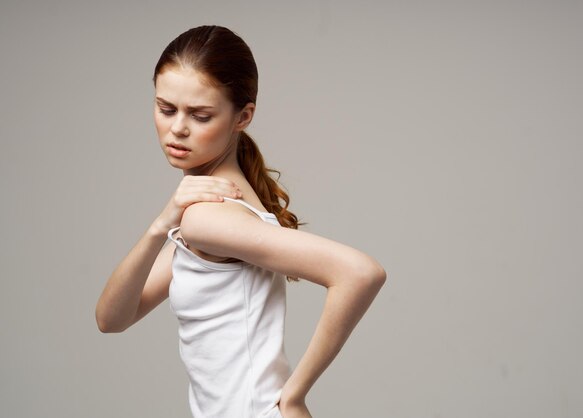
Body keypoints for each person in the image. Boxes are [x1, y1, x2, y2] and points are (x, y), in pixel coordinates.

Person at [95, 25, 386, 418]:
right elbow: (112, 318)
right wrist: (161, 224)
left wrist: (294, 395)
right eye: (166, 108)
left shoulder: (207, 219)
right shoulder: (202, 218)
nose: (177, 128)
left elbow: (360, 273)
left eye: (200, 115)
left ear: (243, 116)